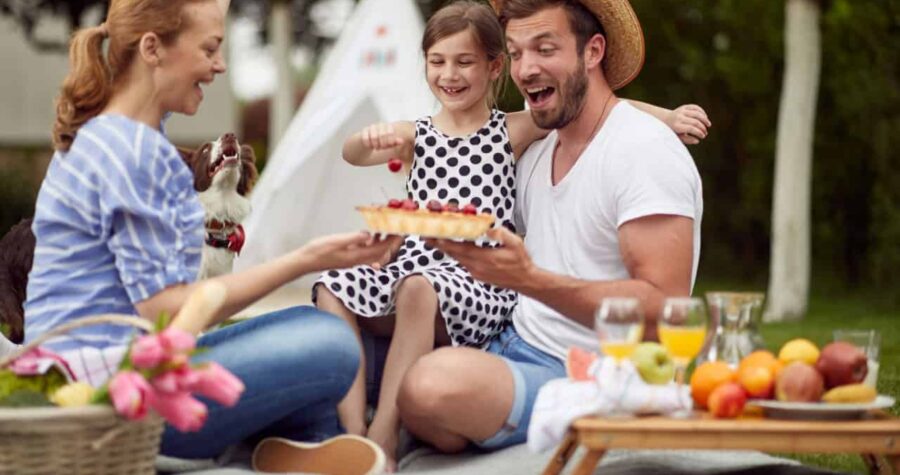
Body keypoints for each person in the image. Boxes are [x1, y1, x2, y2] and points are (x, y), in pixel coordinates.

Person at [313, 0, 708, 464]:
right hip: (499, 337)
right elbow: (462, 211)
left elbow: (668, 311)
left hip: (582, 367)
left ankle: (385, 440)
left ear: (593, 51)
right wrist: (403, 238)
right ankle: (340, 441)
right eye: (517, 52)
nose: (526, 69)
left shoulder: (642, 150)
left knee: (429, 385)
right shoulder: (539, 149)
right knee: (308, 359)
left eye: (544, 48)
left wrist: (528, 280)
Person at [24, 0, 397, 472]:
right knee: (331, 343)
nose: (220, 65)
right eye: (210, 49)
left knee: (317, 330)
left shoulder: (114, 135)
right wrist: (305, 259)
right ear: (153, 48)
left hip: (105, 370)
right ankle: (299, 441)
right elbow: (168, 311)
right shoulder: (131, 150)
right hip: (106, 400)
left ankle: (298, 448)